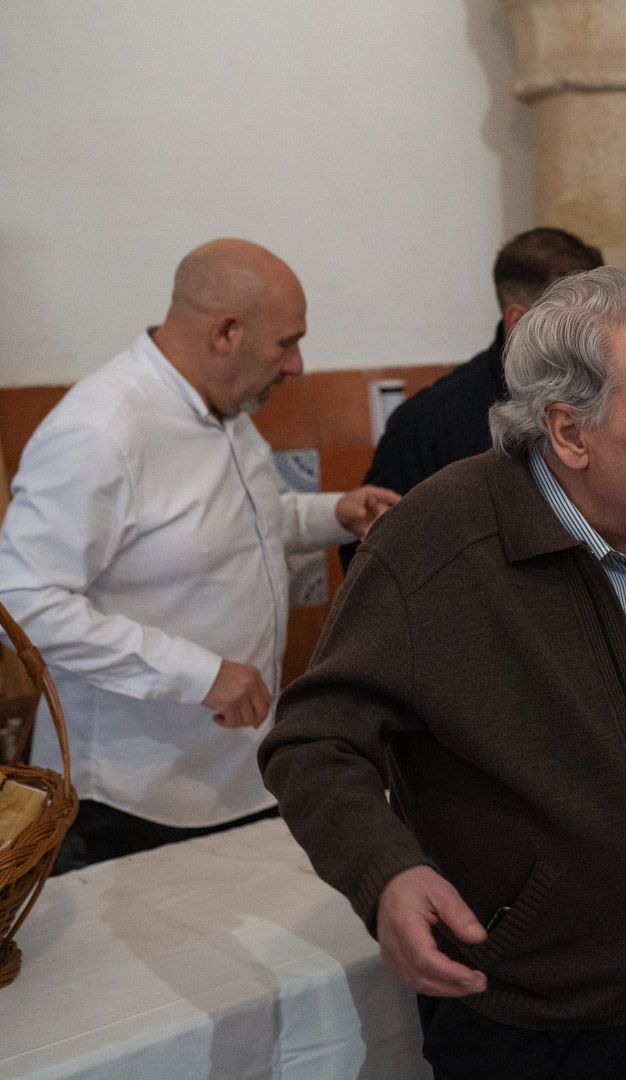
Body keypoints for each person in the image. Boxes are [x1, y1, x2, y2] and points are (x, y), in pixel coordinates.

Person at [259, 266, 626, 1080]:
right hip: (534, 1028)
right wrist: (387, 872)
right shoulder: (438, 548)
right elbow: (312, 743)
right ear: (571, 433)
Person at [0, 238, 398, 870]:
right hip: (132, 800)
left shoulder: (227, 404)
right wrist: (198, 672)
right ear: (227, 333)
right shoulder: (99, 430)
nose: (296, 365)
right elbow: (22, 600)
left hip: (242, 769)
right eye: (285, 342)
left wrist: (335, 512)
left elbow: (234, 525)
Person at [362, 226, 603, 499]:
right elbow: (378, 535)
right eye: (576, 323)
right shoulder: (426, 425)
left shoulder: (616, 396)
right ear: (519, 322)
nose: (595, 336)